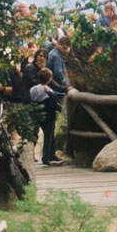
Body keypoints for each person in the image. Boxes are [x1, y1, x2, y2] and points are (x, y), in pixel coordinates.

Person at [40, 30, 69, 165]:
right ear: (64, 46)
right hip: (57, 93)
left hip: (54, 91)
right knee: (52, 124)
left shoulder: (52, 53)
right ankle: (48, 155)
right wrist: (65, 85)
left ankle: (50, 154)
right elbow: (58, 73)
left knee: (51, 126)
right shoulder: (56, 56)